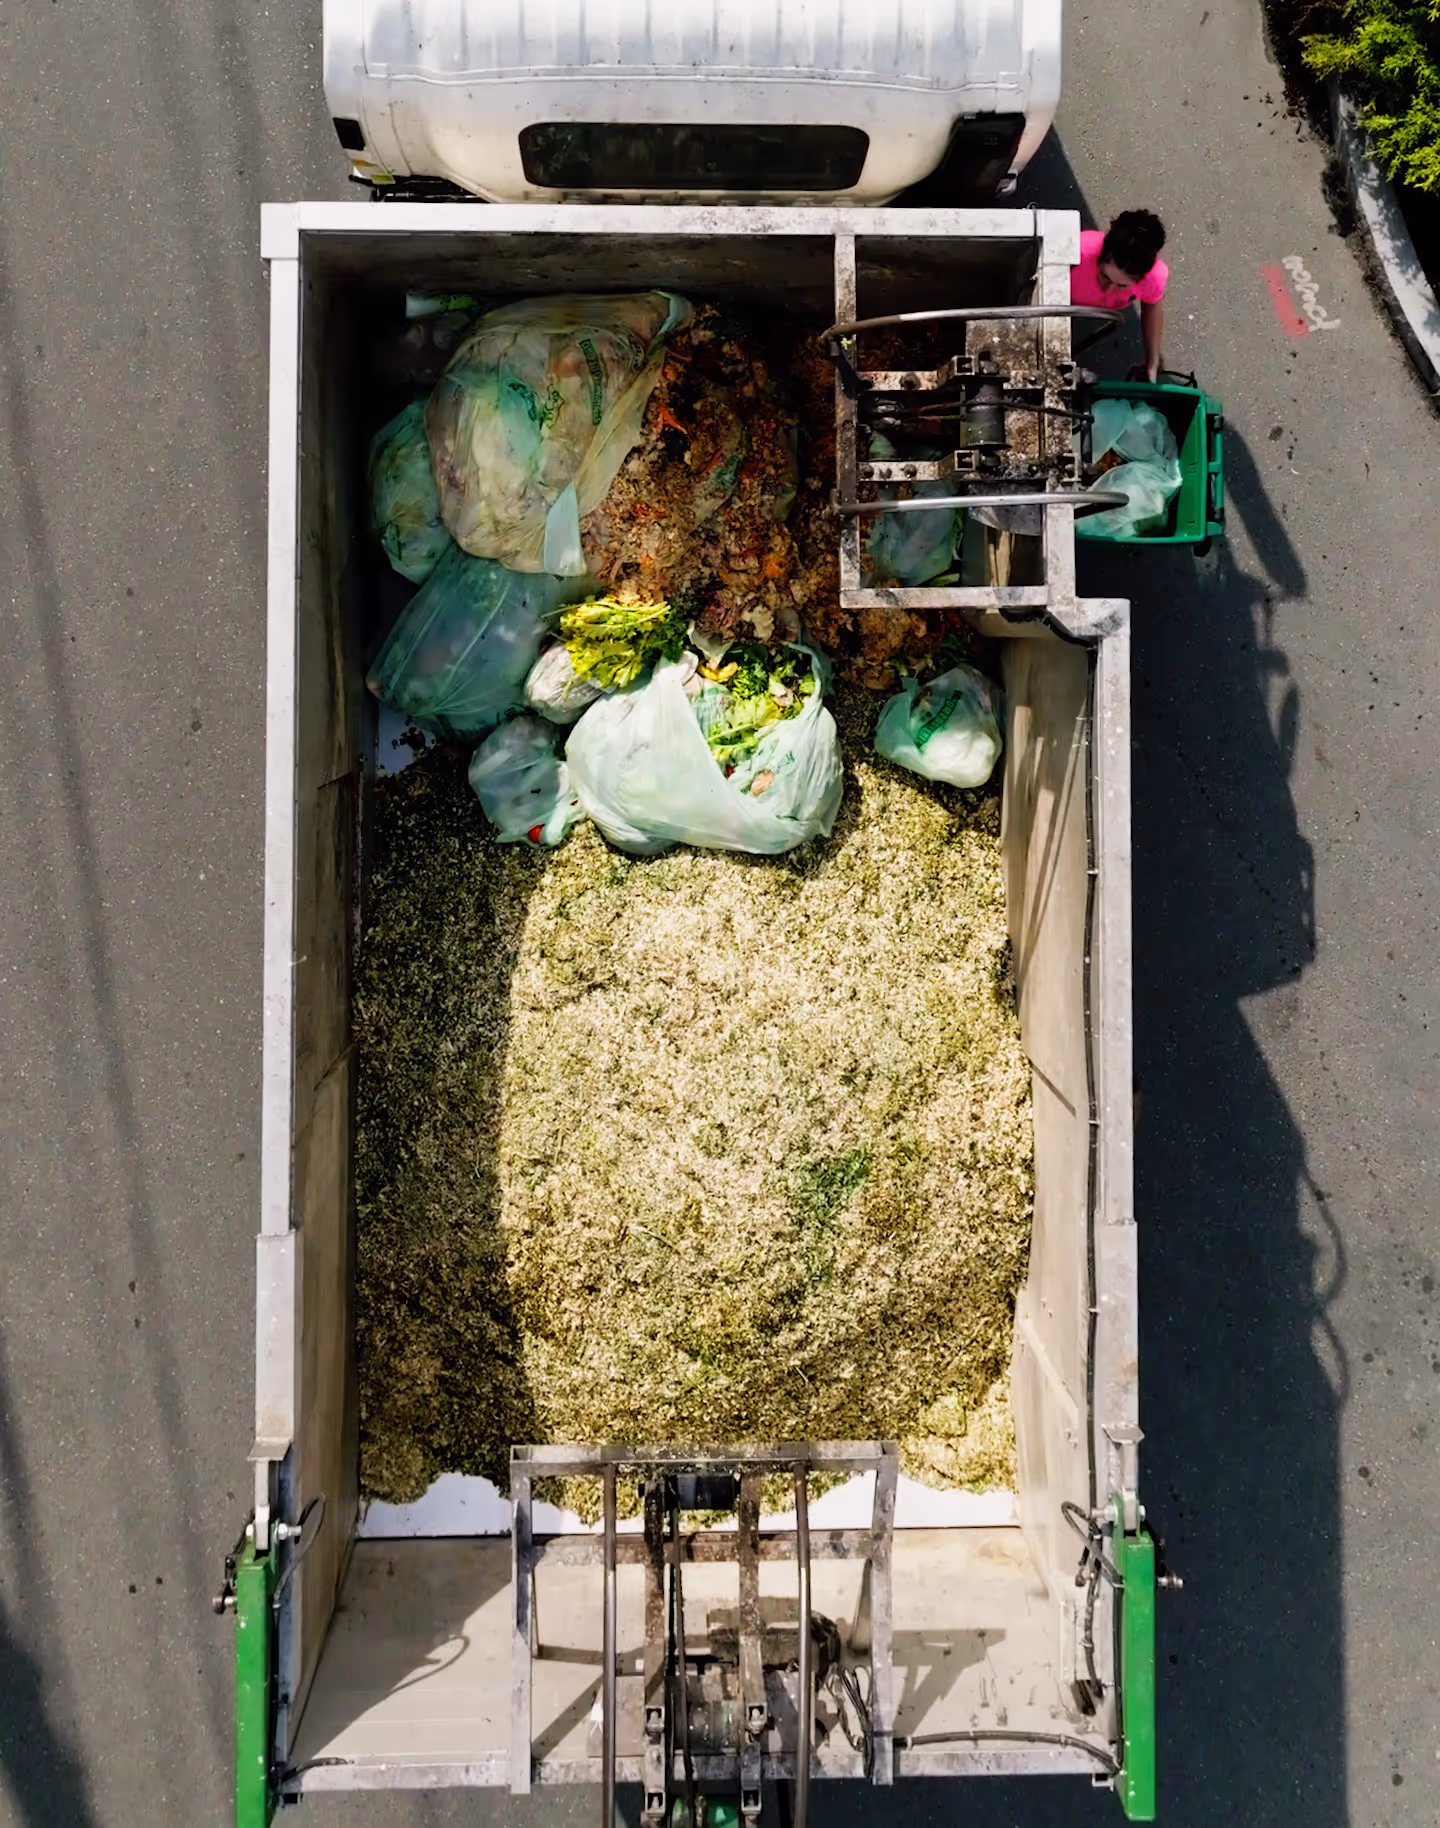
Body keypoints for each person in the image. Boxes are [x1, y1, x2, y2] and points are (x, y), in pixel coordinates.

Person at [1070, 209, 1168, 382]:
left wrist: (1153, 362)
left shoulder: (1154, 278)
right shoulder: (1076, 251)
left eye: (1122, 286)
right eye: (1105, 276)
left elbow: (1152, 306)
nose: (1108, 290)